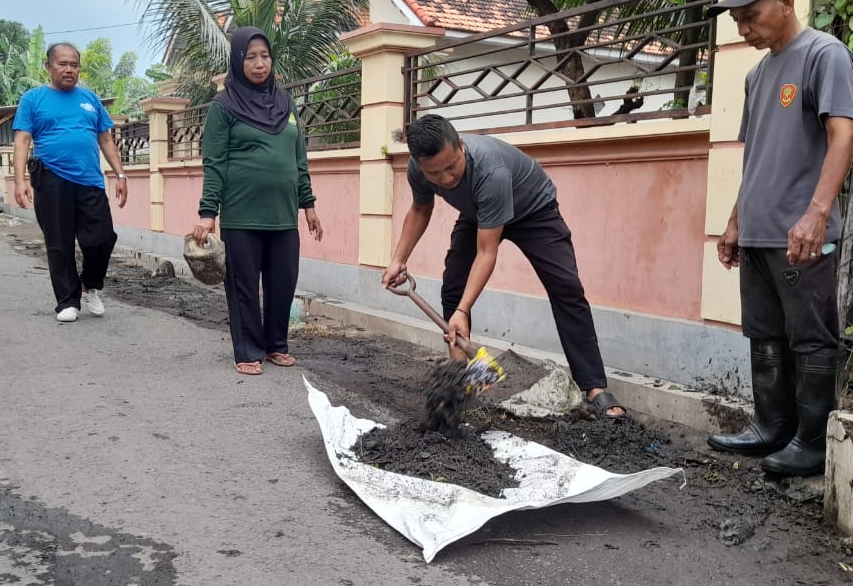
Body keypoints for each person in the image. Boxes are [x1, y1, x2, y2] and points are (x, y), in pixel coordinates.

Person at [704, 0, 853, 477]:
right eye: (738, 22)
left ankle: (812, 444)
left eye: (751, 16)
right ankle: (772, 428)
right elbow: (757, 156)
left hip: (803, 236)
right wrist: (734, 221)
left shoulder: (824, 55)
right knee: (764, 334)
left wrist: (817, 213)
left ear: (787, 2)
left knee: (813, 339)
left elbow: (842, 135)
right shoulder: (756, 73)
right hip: (760, 231)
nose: (745, 29)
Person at [380, 114, 625, 418]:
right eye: (435, 174)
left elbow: (487, 252)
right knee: (453, 285)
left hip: (534, 211)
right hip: (478, 213)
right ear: (419, 163)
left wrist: (464, 311)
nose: (445, 179)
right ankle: (461, 376)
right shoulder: (418, 168)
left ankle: (594, 385)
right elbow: (420, 208)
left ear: (461, 146)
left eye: (451, 167)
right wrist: (398, 260)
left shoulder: (491, 170)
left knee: (566, 288)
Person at [192, 27, 324, 376]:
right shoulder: (224, 106)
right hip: (241, 214)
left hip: (283, 215)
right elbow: (214, 163)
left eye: (264, 55)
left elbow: (299, 159)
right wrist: (208, 213)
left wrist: (308, 205)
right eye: (250, 57)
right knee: (244, 288)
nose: (259, 63)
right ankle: (248, 349)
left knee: (283, 283)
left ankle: (276, 344)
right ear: (238, 61)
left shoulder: (285, 103)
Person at [12, 42, 129, 323]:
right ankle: (67, 300)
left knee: (102, 238)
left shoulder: (90, 99)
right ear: (49, 66)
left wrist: (120, 174)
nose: (69, 69)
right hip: (50, 178)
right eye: (62, 64)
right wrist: (19, 181)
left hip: (89, 180)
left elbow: (105, 139)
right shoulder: (33, 99)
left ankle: (91, 285)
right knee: (59, 242)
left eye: (74, 65)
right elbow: (22, 140)